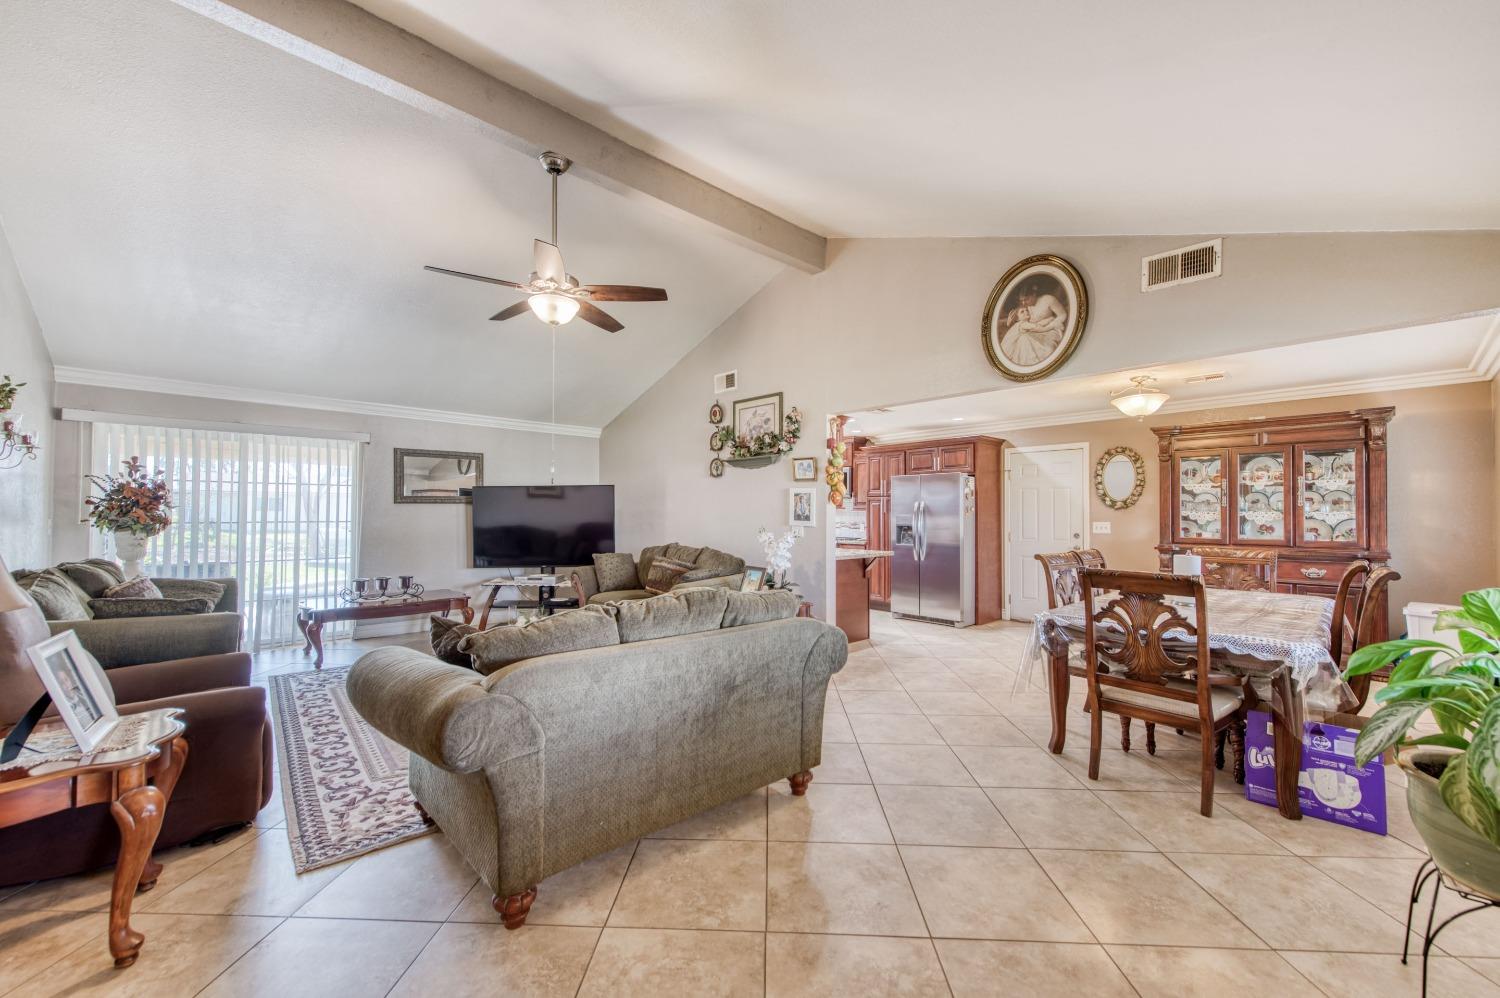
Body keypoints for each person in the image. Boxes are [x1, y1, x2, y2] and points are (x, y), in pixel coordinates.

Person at [999, 283, 1070, 366]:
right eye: (1022, 300)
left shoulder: (1048, 299)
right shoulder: (1025, 306)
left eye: (1026, 299)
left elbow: (1062, 315)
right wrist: (1010, 322)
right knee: (1023, 340)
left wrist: (1051, 323)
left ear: (1034, 295)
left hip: (1050, 330)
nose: (1024, 303)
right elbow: (1019, 319)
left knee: (1048, 349)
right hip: (1034, 331)